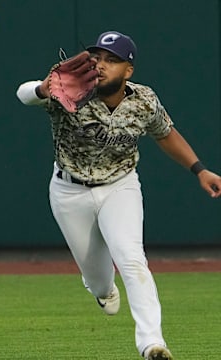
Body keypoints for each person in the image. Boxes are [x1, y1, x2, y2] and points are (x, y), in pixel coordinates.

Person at [16, 30, 221, 359]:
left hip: (119, 186)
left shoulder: (143, 100)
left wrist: (199, 169)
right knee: (99, 282)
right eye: (97, 57)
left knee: (131, 258)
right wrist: (42, 89)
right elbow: (23, 94)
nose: (101, 64)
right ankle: (102, 288)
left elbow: (165, 133)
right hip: (69, 190)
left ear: (129, 70)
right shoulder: (69, 90)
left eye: (113, 60)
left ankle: (152, 343)